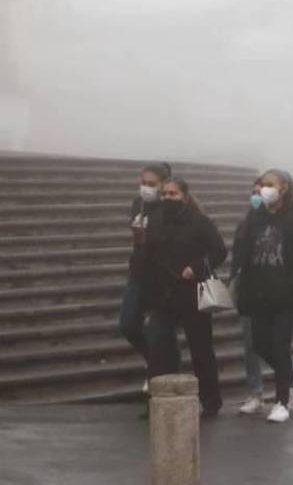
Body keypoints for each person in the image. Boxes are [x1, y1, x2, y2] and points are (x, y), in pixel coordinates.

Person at [233, 169, 293, 424]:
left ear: (284, 189)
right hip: (259, 293)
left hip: (287, 295)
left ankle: (282, 401)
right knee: (260, 344)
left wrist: (292, 288)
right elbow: (244, 253)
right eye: (261, 184)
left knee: (280, 345)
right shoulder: (255, 217)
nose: (263, 189)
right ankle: (292, 380)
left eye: (270, 184)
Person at [143, 177, 227, 417]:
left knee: (200, 349)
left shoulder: (199, 222)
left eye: (173, 194)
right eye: (164, 194)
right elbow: (148, 256)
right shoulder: (155, 221)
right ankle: (158, 401)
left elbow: (219, 251)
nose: (168, 198)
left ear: (185, 196)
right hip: (163, 294)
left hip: (192, 293)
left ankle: (210, 401)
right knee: (158, 348)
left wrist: (196, 267)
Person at [121, 163, 180, 391]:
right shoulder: (138, 204)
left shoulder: (169, 208)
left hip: (163, 277)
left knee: (161, 330)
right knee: (128, 324)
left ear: (163, 184)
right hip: (139, 273)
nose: (146, 188)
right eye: (143, 183)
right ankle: (155, 362)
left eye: (151, 184)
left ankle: (163, 371)